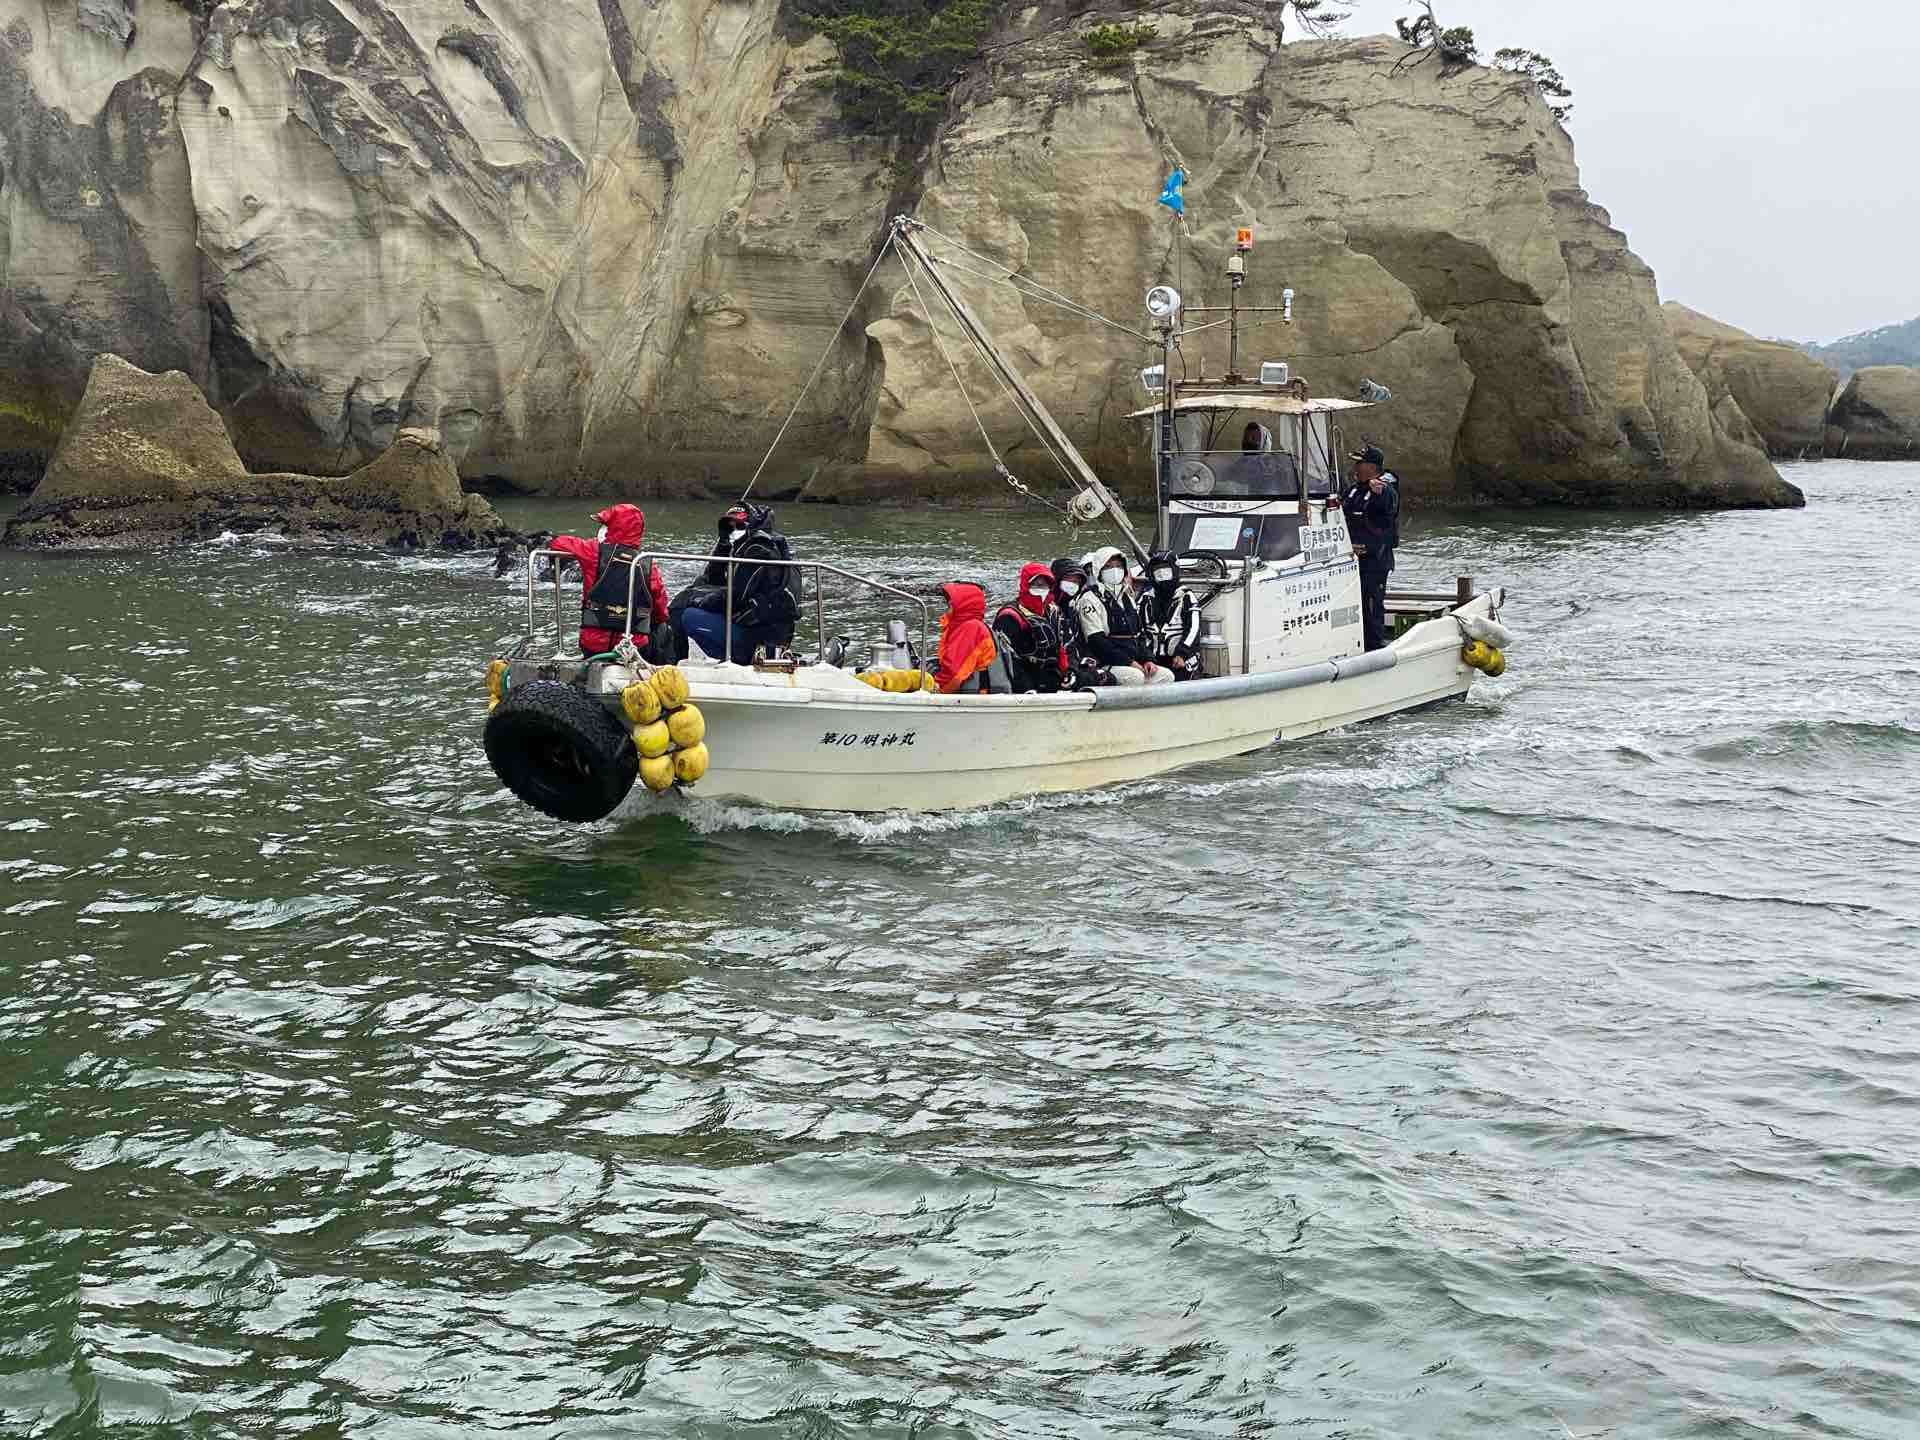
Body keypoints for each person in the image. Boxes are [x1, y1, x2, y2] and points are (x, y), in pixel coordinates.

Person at [673, 502, 801, 662]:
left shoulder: (759, 550)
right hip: (755, 629)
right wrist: (723, 544)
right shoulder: (744, 547)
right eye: (729, 525)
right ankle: (673, 662)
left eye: (739, 525)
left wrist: (698, 601)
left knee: (687, 614)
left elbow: (735, 596)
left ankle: (672, 665)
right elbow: (713, 579)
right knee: (684, 601)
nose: (734, 530)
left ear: (751, 526)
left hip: (760, 638)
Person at [545, 503, 670, 657]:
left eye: (606, 524)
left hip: (593, 645)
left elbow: (558, 543)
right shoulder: (648, 564)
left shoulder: (593, 551)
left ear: (613, 527)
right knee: (663, 630)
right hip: (633, 647)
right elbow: (661, 610)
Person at [1071, 546, 1174, 686]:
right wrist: (1128, 662)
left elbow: (1139, 636)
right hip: (1105, 662)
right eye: (1108, 567)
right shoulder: (1089, 599)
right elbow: (1097, 642)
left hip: (1132, 660)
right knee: (1135, 677)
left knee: (1166, 676)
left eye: (1119, 566)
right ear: (1098, 570)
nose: (1115, 570)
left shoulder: (1127, 598)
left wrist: (1147, 660)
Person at [1343, 445, 1401, 651]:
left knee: (1371, 605)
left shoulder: (1384, 489)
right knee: (1352, 605)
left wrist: (1380, 492)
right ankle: (1353, 645)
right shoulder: (1353, 490)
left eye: (1359, 463)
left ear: (1372, 467)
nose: (1355, 467)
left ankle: (1374, 648)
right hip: (1350, 561)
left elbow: (1390, 502)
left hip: (1375, 562)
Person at [992, 564, 1069, 694]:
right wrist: (1026, 687)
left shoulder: (1054, 611)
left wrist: (1069, 672)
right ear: (1025, 585)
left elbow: (1063, 647)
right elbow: (1006, 658)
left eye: (1045, 585)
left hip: (1052, 675)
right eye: (1036, 584)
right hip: (1025, 680)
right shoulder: (1009, 617)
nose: (1041, 589)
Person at [1138, 548, 1203, 678]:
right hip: (1153, 660)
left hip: (1181, 659)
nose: (1162, 575)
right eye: (1158, 572)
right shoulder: (1145, 599)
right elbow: (1138, 629)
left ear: (1175, 570)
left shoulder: (1187, 597)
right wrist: (1146, 657)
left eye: (1166, 571)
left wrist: (1182, 653)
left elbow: (1194, 629)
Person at [933, 583, 1000, 694]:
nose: (949, 603)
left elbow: (953, 674)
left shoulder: (971, 628)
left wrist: (934, 690)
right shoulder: (968, 626)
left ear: (965, 604)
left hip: (977, 697)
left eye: (953, 601)